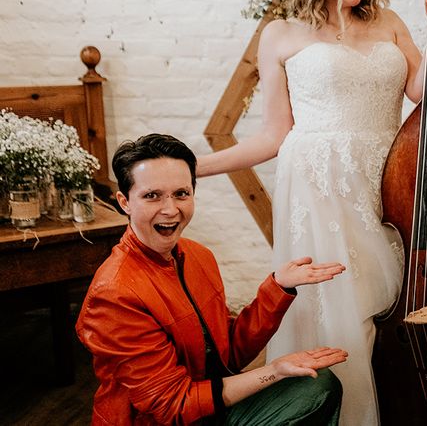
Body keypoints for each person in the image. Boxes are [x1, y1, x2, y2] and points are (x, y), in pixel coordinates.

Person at [196, 0, 427, 426]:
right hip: (321, 192)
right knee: (343, 311)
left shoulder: (389, 21)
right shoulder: (282, 34)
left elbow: (422, 91)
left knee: (388, 305)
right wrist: (194, 167)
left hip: (387, 180)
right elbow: (275, 134)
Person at [76, 133, 348, 425]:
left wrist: (278, 287)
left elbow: (228, 354)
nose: (170, 209)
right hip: (164, 418)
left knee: (319, 385)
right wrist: (275, 370)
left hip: (208, 403)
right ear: (124, 202)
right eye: (152, 195)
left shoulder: (197, 256)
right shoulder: (113, 293)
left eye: (181, 193)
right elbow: (173, 406)